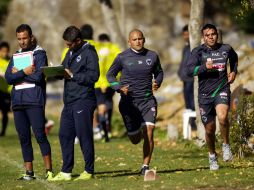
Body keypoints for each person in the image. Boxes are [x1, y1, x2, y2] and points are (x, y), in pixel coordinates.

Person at [106, 29, 163, 175]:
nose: (138, 42)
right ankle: (134, 130)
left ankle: (145, 167)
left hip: (147, 101)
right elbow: (110, 75)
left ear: (144, 40)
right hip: (128, 103)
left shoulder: (152, 56)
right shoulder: (122, 57)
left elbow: (159, 72)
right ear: (129, 41)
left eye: (140, 39)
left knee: (149, 133)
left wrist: (157, 81)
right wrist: (118, 88)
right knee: (135, 139)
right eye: (135, 39)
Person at [4, 24, 53, 180]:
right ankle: (29, 172)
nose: (22, 42)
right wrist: (24, 72)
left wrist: (18, 74)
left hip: (34, 100)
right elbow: (8, 78)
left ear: (31, 37)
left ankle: (49, 171)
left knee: (40, 135)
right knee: (23, 137)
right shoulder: (15, 55)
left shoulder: (39, 53)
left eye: (24, 38)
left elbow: (38, 76)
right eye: (19, 39)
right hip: (18, 102)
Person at [51, 26, 99, 181]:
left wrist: (73, 75)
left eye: (69, 44)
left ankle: (89, 170)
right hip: (69, 101)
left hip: (83, 99)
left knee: (84, 135)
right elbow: (64, 70)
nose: (67, 46)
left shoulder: (89, 52)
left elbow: (94, 76)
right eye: (66, 44)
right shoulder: (70, 52)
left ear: (78, 40)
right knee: (64, 134)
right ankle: (66, 172)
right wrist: (55, 72)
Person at [186, 24, 238, 170]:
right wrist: (204, 68)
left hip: (221, 88)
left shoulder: (226, 49)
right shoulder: (198, 51)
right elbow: (189, 70)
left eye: (213, 34)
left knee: (222, 117)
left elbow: (234, 59)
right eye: (208, 35)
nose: (211, 37)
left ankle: (226, 145)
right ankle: (212, 156)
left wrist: (233, 72)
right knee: (209, 130)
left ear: (217, 34)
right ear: (203, 37)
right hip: (204, 95)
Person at [94, 33, 121, 142]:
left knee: (100, 105)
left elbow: (96, 66)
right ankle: (108, 129)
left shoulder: (97, 48)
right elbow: (120, 64)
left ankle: (101, 129)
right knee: (109, 102)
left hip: (98, 83)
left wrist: (101, 82)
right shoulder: (114, 49)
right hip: (112, 82)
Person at [177, 25, 197, 135]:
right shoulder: (185, 47)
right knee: (187, 103)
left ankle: (194, 126)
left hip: (191, 79)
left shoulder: (194, 47)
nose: (186, 36)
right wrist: (180, 72)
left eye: (187, 34)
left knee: (192, 102)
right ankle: (191, 125)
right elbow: (183, 63)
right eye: (184, 34)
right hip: (185, 79)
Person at [0, 41, 12, 136]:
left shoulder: (10, 61)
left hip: (7, 91)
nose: (5, 53)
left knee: (5, 112)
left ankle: (3, 132)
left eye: (6, 51)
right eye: (3, 51)